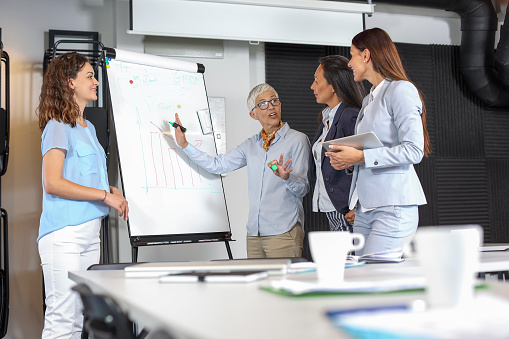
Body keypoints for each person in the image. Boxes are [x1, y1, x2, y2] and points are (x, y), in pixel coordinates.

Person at [37, 52, 129, 339]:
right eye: (89, 76)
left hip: (90, 233)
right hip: (64, 234)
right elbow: (52, 183)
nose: (96, 82)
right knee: (62, 319)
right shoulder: (57, 125)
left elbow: (85, 175)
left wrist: (111, 191)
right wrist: (104, 195)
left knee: (79, 320)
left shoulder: (87, 127)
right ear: (70, 82)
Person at [326, 28, 431, 259]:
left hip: (394, 206)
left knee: (377, 278)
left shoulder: (401, 90)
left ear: (366, 55)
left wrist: (360, 157)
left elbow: (414, 151)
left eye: (352, 55)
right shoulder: (368, 98)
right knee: (360, 277)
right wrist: (348, 160)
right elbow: (370, 149)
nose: (350, 63)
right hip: (366, 208)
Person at [174, 83, 310, 258]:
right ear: (253, 114)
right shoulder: (251, 145)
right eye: (263, 103)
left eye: (274, 101)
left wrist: (287, 177)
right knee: (255, 285)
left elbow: (303, 188)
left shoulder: (297, 140)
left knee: (281, 285)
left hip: (283, 232)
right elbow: (218, 164)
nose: (271, 107)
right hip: (254, 234)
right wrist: (185, 145)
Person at [309, 55, 365, 232]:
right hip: (333, 209)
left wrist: (358, 204)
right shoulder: (326, 116)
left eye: (317, 81)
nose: (312, 87)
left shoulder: (350, 116)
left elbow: (366, 162)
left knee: (351, 260)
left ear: (332, 85)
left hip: (348, 210)